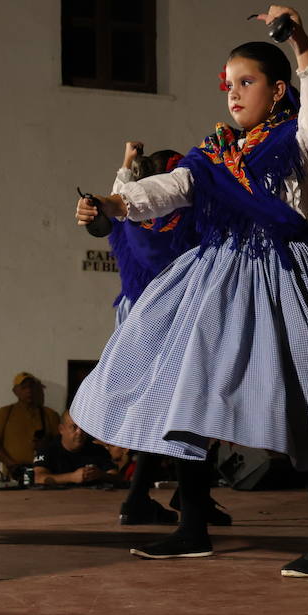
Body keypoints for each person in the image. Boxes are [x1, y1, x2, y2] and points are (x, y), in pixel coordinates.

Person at [72, 5, 308, 577]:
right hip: (216, 279)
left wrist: (300, 40)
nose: (234, 94)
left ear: (277, 89)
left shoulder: (298, 142)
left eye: (247, 83)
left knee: (294, 399)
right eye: (229, 85)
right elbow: (167, 189)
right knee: (184, 393)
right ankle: (192, 526)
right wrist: (111, 206)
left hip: (282, 279)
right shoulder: (213, 154)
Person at [105, 142, 194, 525]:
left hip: (134, 317)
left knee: (162, 409)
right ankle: (160, 498)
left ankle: (155, 497)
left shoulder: (124, 220)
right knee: (183, 406)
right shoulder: (171, 226)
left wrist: (125, 163)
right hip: (163, 315)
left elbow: (118, 194)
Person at [0, 373, 61, 480]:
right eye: (23, 387)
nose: (29, 391)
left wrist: (47, 444)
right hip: (14, 476)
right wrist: (13, 466)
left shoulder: (50, 414)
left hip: (43, 474)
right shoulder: (5, 413)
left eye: (31, 387)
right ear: (15, 391)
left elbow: (61, 445)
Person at [31, 412, 117, 486]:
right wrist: (72, 477)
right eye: (74, 427)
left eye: (83, 427)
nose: (79, 432)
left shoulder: (97, 450)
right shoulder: (47, 449)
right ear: (61, 429)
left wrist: (100, 475)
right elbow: (38, 478)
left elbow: (117, 477)